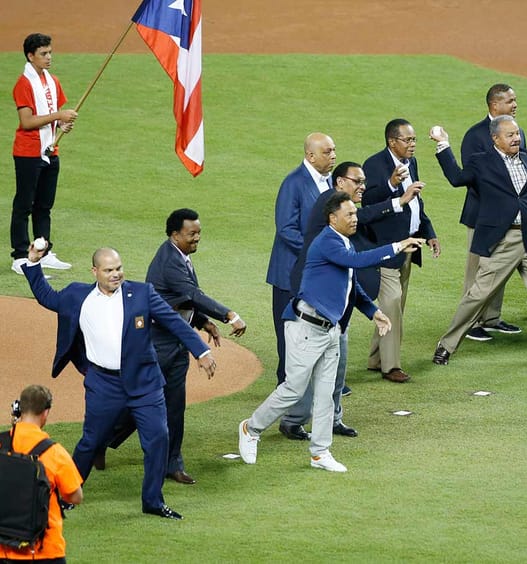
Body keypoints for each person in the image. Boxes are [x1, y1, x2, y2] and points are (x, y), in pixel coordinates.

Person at [22, 246, 216, 520]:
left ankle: (153, 501)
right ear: (95, 272)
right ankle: (68, 494)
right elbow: (46, 296)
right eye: (109, 270)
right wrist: (33, 264)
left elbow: (174, 322)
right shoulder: (78, 295)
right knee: (91, 441)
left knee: (158, 439)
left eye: (119, 268)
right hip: (103, 383)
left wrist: (202, 351)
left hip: (145, 383)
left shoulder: (142, 293)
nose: (116, 274)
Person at [239, 192, 425, 472]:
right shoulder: (326, 242)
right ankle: (250, 429)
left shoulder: (342, 241)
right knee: (293, 389)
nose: (355, 218)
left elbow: (350, 284)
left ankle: (320, 453)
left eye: (354, 213)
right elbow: (359, 263)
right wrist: (397, 246)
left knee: (326, 395)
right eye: (349, 214)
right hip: (306, 327)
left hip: (330, 330)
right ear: (332, 218)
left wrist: (373, 311)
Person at [102, 209, 247, 485]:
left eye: (199, 233)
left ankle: (172, 463)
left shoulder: (180, 256)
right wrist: (229, 315)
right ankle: (100, 440)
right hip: (157, 341)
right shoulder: (169, 261)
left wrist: (203, 322)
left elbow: (183, 299)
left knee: (174, 405)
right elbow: (192, 294)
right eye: (191, 234)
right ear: (174, 234)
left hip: (176, 339)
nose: (197, 239)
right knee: (144, 399)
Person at [429, 116, 527, 368]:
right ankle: (447, 344)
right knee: (478, 296)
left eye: (517, 133)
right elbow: (456, 178)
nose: (516, 138)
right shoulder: (481, 162)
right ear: (495, 139)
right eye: (510, 135)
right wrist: (443, 145)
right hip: (501, 241)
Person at [287, 162, 415, 438]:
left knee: (337, 369)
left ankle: (333, 419)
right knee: (304, 375)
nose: (363, 187)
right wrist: (396, 243)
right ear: (340, 183)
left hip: (336, 307)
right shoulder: (329, 207)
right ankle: (291, 420)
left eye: (364, 182)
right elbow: (357, 255)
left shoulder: (343, 226)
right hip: (313, 304)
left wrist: (372, 310)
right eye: (357, 182)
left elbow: (350, 278)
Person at [266, 132, 336, 440]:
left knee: (314, 340)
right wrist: (316, 251)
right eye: (328, 151)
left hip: (315, 277)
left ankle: (302, 409)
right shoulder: (293, 183)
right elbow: (286, 229)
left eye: (334, 150)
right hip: (289, 276)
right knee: (289, 346)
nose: (333, 156)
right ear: (311, 156)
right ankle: (288, 415)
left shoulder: (329, 183)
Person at [361, 119, 440, 383]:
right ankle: (390, 366)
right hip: (385, 249)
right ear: (391, 141)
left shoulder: (411, 163)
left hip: (408, 246)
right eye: (407, 140)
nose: (413, 144)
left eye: (414, 139)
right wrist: (391, 184)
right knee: (392, 303)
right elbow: (368, 206)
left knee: (395, 305)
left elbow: (416, 202)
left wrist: (428, 232)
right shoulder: (374, 165)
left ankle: (376, 358)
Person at [458, 83, 526, 342]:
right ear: (494, 105)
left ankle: (492, 318)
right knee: (476, 270)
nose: (514, 105)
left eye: (515, 100)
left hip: (508, 217)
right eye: (510, 101)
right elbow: (470, 177)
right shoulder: (475, 135)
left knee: (500, 267)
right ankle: (470, 321)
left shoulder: (517, 133)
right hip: (481, 215)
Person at [10, 33, 78, 276]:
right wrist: (59, 117)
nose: (49, 58)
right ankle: (19, 256)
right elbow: (27, 121)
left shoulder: (52, 81)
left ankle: (43, 251)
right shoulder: (24, 83)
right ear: (31, 56)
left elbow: (52, 113)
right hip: (28, 152)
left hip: (50, 150)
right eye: (43, 54)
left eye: (50, 52)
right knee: (24, 204)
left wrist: (62, 125)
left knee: (44, 206)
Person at [0, 385, 82, 563]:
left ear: (19, 408)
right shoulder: (55, 453)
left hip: (3, 549)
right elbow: (75, 496)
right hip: (44, 551)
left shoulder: (1, 444)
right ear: (45, 413)